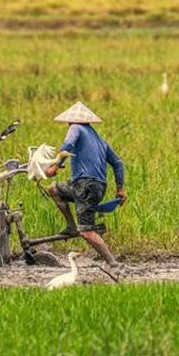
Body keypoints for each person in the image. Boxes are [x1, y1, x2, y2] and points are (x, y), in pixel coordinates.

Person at [44, 102, 126, 268]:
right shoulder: (99, 139)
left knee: (87, 231)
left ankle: (113, 262)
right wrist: (120, 189)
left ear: (70, 121)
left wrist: (55, 166)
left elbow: (67, 145)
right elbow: (117, 163)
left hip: (85, 185)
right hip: (97, 186)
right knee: (53, 189)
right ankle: (71, 226)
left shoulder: (75, 128)